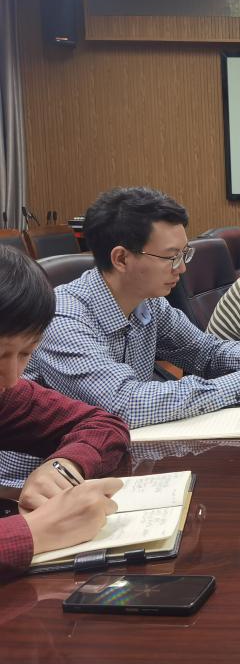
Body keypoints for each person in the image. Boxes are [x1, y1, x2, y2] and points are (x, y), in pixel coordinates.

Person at [0, 187, 240, 486]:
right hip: (37, 483)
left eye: (184, 255)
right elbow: (123, 404)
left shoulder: (149, 303)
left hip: (119, 458)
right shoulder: (64, 318)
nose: (181, 269)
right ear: (121, 258)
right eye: (171, 257)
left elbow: (204, 352)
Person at [0, 247, 129, 580]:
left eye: (25, 354)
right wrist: (33, 531)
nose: (12, 378)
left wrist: (64, 465)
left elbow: (102, 423)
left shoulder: (6, 394)